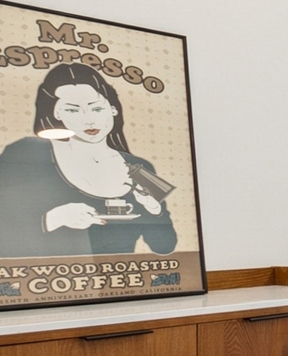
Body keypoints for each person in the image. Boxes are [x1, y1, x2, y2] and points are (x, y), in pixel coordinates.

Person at [0, 63, 177, 257]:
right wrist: (53, 219)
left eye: (97, 109)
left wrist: (153, 209)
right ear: (56, 113)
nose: (88, 120)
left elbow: (165, 246)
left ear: (112, 109)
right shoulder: (27, 153)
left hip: (121, 281)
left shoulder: (140, 167)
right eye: (73, 111)